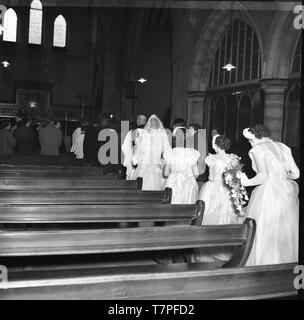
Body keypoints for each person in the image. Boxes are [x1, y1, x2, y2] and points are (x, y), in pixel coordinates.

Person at [239, 124, 299, 266]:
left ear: (253, 139)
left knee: (264, 228)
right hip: (286, 191)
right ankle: (285, 267)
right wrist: (281, 177)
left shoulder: (257, 149)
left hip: (267, 193)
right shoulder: (284, 146)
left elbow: (263, 176)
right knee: (285, 230)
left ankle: (263, 265)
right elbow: (296, 174)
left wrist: (245, 182)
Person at [132, 114, 171, 190]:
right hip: (156, 166)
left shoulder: (144, 135)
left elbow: (138, 151)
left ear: (148, 125)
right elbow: (167, 151)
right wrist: (166, 162)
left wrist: (135, 160)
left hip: (143, 166)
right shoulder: (162, 136)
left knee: (140, 187)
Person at [163, 127, 200, 204]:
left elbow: (165, 174)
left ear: (174, 139)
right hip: (189, 185)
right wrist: (187, 177)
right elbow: (196, 174)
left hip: (173, 183)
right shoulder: (192, 153)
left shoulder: (170, 153)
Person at [121, 114, 147, 180]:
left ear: (137, 122)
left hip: (134, 163)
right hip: (147, 165)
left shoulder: (132, 132)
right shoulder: (151, 133)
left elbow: (124, 148)